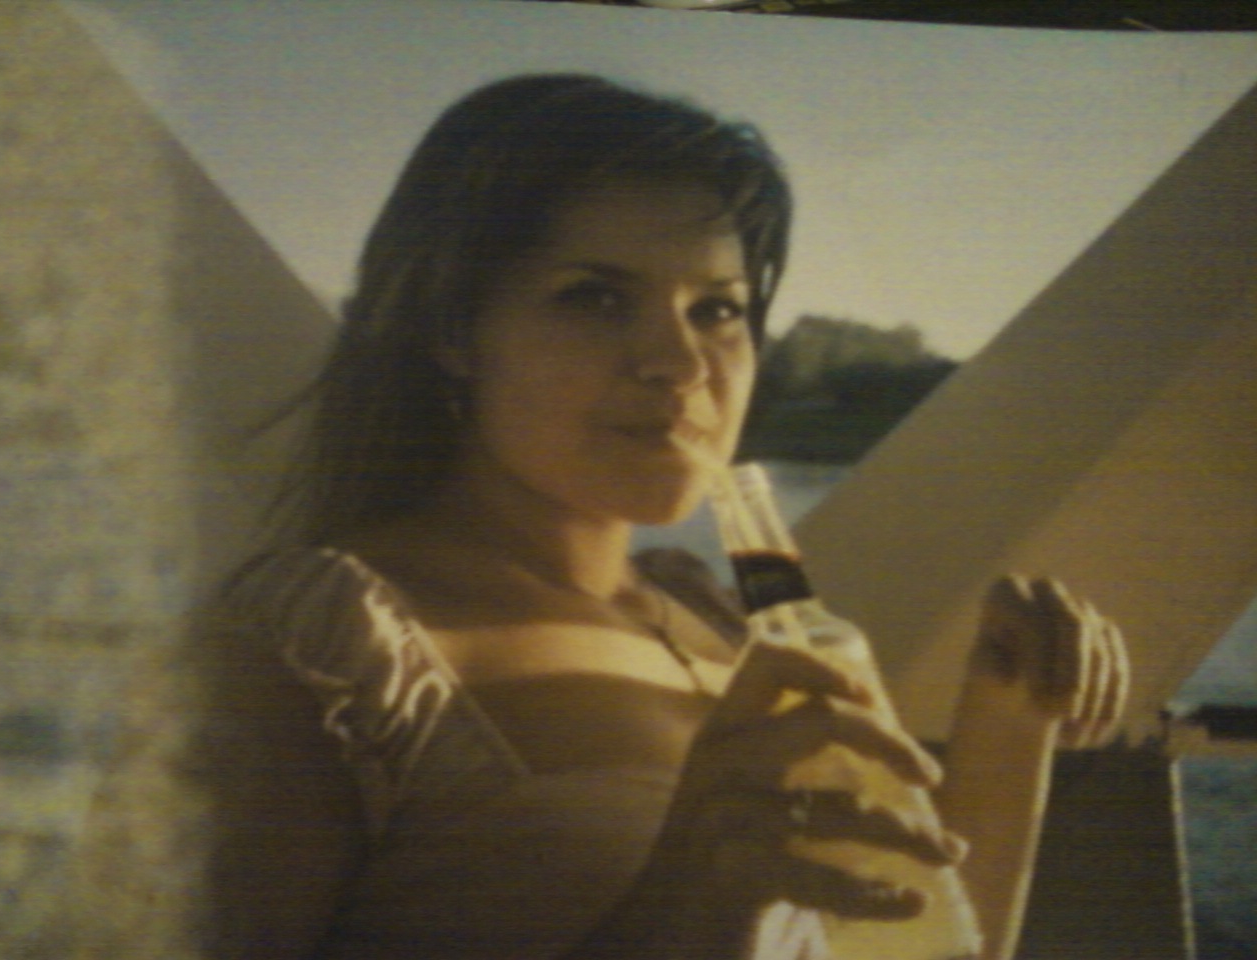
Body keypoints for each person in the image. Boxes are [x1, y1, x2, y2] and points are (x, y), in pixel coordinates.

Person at [193, 74, 1129, 960]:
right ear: (450, 329)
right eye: (596, 297)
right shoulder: (325, 646)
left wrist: (1011, 724)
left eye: (717, 309)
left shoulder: (711, 620)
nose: (680, 363)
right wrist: (682, 906)